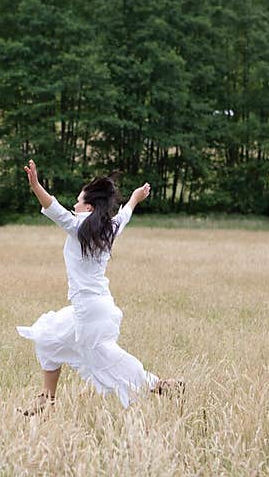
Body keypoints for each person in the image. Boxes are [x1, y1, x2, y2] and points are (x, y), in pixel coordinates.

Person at [16, 159, 184, 416]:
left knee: (104, 361)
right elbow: (125, 214)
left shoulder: (77, 227)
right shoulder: (109, 228)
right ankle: (46, 400)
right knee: (48, 335)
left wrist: (35, 184)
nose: (74, 205)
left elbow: (52, 206)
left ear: (88, 208)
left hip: (89, 313)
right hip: (96, 308)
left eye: (78, 202)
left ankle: (159, 384)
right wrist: (136, 198)